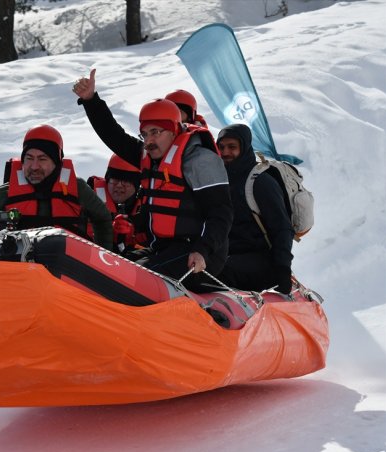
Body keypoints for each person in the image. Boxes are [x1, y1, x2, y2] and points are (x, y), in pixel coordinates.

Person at [72, 69, 232, 289]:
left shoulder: (200, 160)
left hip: (197, 255)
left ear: (174, 130)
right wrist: (91, 100)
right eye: (145, 134)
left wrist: (202, 250)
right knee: (107, 270)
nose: (149, 140)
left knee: (127, 282)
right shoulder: (150, 156)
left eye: (156, 132)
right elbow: (114, 136)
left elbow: (220, 213)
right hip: (162, 248)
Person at [0, 124, 113, 250]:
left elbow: (103, 218)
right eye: (29, 158)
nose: (34, 167)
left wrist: (103, 256)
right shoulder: (3, 194)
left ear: (57, 162)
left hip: (67, 270)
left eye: (42, 159)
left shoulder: (78, 189)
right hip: (19, 270)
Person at [216, 124, 294, 294]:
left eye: (232, 147)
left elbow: (282, 228)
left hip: (262, 260)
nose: (225, 152)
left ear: (244, 147)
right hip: (226, 254)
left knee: (216, 273)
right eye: (221, 147)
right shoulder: (219, 180)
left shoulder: (260, 182)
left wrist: (282, 268)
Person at [87, 154, 146, 253]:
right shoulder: (88, 198)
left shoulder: (147, 210)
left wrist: (129, 240)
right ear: (107, 180)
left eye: (126, 181)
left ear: (136, 185)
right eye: (114, 179)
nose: (119, 185)